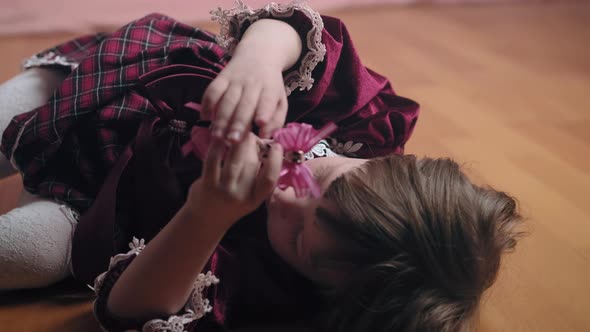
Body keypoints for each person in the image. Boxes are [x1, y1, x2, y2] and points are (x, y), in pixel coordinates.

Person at [0, 1, 523, 331]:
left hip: (94, 208)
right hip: (109, 89)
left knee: (32, 256)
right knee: (21, 108)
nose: (286, 199)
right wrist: (259, 62)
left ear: (324, 289)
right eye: (327, 184)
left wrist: (206, 216)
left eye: (297, 241)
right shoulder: (366, 126)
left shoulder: (265, 285)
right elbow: (293, 25)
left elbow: (129, 312)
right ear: (383, 166)